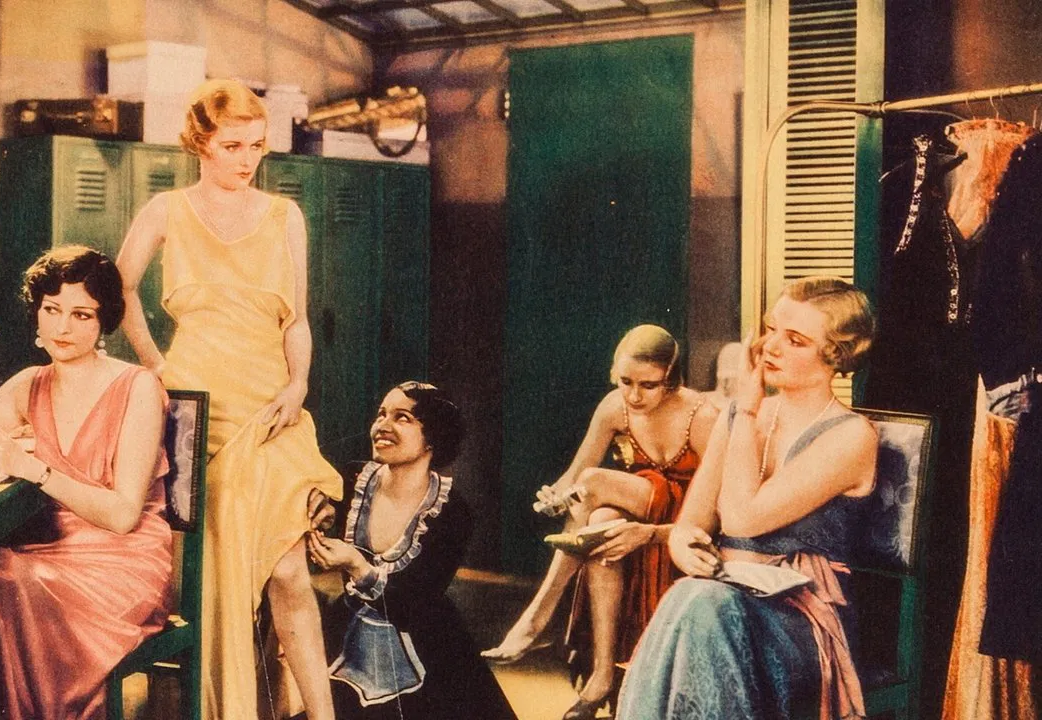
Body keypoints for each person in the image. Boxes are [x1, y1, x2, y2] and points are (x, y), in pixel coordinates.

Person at [115, 78, 342, 720]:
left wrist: (298, 385)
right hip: (197, 408)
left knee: (288, 569)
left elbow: (296, 320)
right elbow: (117, 290)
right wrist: (156, 365)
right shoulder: (166, 210)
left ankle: (321, 715)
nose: (248, 159)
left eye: (257, 145)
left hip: (271, 410)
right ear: (201, 144)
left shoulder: (285, 216)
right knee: (209, 575)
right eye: (233, 145)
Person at [0, 246, 173, 719]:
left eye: (81, 315)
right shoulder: (30, 384)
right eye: (52, 310)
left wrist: (35, 470)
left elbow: (122, 515)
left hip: (122, 562)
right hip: (50, 554)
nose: (62, 327)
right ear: (37, 313)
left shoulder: (137, 387)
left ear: (104, 321)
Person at [615, 276, 879, 720]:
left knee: (701, 604)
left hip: (802, 625)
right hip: (723, 607)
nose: (769, 347)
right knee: (697, 599)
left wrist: (746, 410)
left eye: (794, 340)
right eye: (771, 329)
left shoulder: (851, 437)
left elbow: (740, 519)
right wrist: (681, 542)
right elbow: (693, 521)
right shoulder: (744, 414)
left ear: (836, 355)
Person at [481, 325, 718, 720]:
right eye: (626, 382)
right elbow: (574, 477)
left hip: (691, 512)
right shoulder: (614, 407)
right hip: (642, 500)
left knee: (594, 484)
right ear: (614, 373)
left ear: (671, 379)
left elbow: (717, 502)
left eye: (648, 385)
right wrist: (555, 498)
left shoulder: (701, 415)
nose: (634, 395)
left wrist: (586, 494)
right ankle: (603, 672)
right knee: (601, 520)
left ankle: (538, 616)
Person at [308, 381, 519, 720]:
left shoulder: (452, 512)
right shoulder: (352, 479)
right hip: (347, 634)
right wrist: (321, 512)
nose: (383, 426)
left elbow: (413, 604)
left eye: (402, 418)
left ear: (433, 437)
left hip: (426, 643)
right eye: (381, 414)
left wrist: (358, 566)